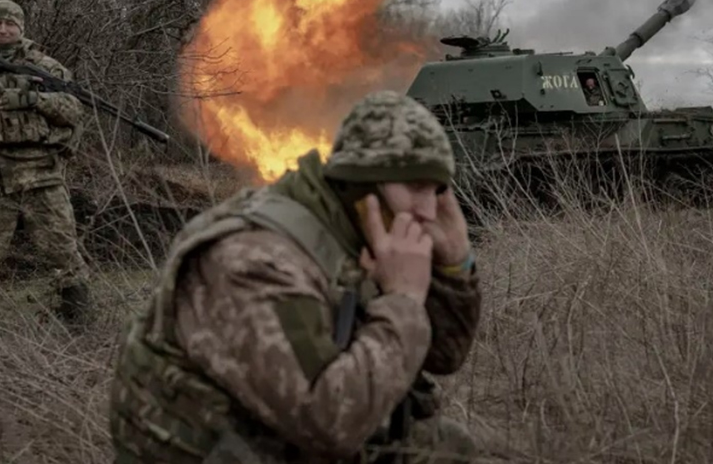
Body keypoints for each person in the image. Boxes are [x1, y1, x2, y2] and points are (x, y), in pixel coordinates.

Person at [109, 90, 482, 463]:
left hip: (274, 437)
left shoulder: (358, 231)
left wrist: (455, 263)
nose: (430, 210)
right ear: (364, 183)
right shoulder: (255, 259)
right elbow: (327, 426)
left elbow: (443, 355)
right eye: (416, 187)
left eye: (437, 190)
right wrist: (402, 300)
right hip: (217, 449)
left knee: (444, 444)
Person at [0, 0, 91, 342]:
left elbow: (73, 109)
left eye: (11, 24)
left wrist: (33, 99)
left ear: (21, 28)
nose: (4, 29)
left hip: (43, 174)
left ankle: (82, 332)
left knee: (63, 252)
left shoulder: (45, 65)